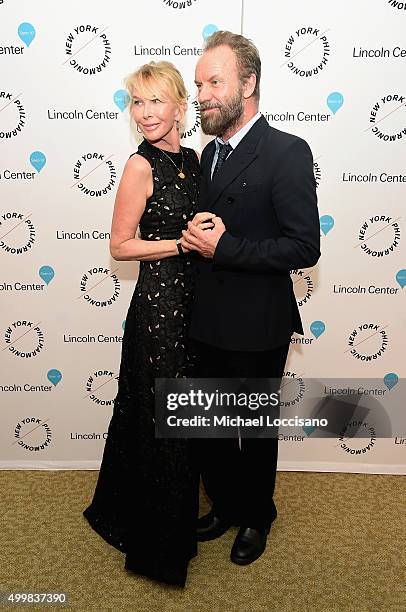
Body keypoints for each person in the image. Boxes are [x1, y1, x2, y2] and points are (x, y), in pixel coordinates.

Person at [181, 31, 321, 565]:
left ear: (249, 82)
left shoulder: (287, 151)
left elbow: (303, 245)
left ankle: (257, 515)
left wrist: (225, 247)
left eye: (215, 82)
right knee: (211, 424)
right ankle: (226, 504)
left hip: (257, 320)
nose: (203, 95)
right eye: (198, 85)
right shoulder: (205, 155)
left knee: (253, 429)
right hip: (204, 316)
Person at [83, 60, 205, 587]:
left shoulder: (195, 160)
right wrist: (180, 243)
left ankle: (171, 518)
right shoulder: (140, 166)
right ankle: (157, 544)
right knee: (163, 415)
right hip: (158, 308)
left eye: (156, 100)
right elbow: (120, 245)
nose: (147, 112)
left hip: (198, 304)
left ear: (180, 105)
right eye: (137, 102)